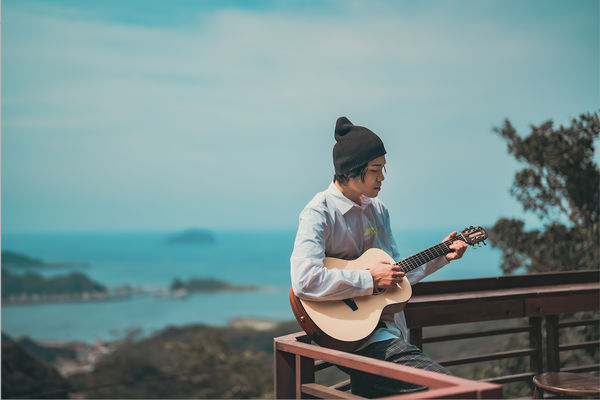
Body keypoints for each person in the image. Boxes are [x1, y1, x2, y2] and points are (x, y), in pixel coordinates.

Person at [290, 116, 468, 397]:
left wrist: (442, 254)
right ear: (350, 170)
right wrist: (369, 280)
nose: (382, 178)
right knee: (453, 391)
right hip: (356, 339)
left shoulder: (378, 210)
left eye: (383, 169)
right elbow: (305, 280)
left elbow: (396, 274)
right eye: (375, 170)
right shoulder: (319, 212)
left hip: (387, 331)